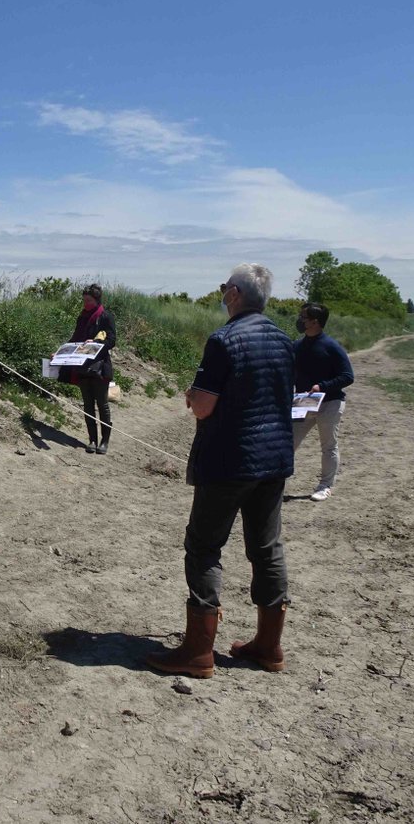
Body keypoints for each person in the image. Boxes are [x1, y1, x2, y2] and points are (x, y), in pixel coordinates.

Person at [145, 264, 294, 679]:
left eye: (224, 288)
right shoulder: (285, 339)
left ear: (234, 294)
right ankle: (269, 646)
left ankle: (197, 652)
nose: (222, 294)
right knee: (267, 549)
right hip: (274, 459)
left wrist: (192, 396)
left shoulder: (223, 339)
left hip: (229, 461)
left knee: (205, 547)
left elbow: (205, 405)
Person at [293, 302, 354, 502]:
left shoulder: (331, 347)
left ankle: (325, 485)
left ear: (315, 322)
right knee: (288, 442)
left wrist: (323, 386)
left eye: (303, 316)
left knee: (328, 446)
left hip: (330, 403)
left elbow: (347, 376)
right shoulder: (297, 346)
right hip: (304, 402)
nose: (300, 320)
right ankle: (273, 483)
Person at [65, 284, 116, 454]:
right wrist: (60, 352)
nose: (85, 303)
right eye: (84, 300)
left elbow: (111, 341)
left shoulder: (105, 316)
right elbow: (74, 339)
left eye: (89, 300)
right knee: (87, 405)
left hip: (100, 367)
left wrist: (95, 343)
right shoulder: (82, 317)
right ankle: (92, 440)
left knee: (102, 404)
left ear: (97, 300)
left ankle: (104, 442)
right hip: (82, 367)